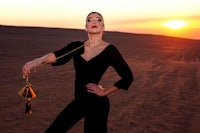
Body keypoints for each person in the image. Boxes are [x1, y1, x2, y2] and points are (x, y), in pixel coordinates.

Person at [22, 12, 133, 133]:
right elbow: (57, 55)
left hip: (97, 102)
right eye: (90, 20)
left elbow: (128, 77)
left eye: (98, 20)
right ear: (86, 26)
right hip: (79, 100)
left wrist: (104, 92)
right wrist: (35, 62)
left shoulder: (110, 50)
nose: (94, 22)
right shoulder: (76, 46)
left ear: (103, 26)